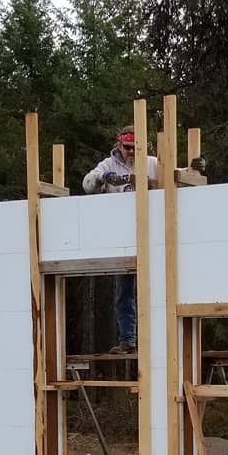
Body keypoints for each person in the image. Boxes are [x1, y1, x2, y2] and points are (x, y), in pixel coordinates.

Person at [82, 126, 159, 354]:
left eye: (136, 147)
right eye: (127, 147)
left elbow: (177, 175)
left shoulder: (153, 164)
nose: (131, 152)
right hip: (122, 239)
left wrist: (193, 167)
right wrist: (103, 178)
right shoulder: (108, 165)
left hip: (153, 236)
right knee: (124, 294)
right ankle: (128, 340)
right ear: (119, 145)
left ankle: (158, 342)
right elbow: (87, 184)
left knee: (157, 292)